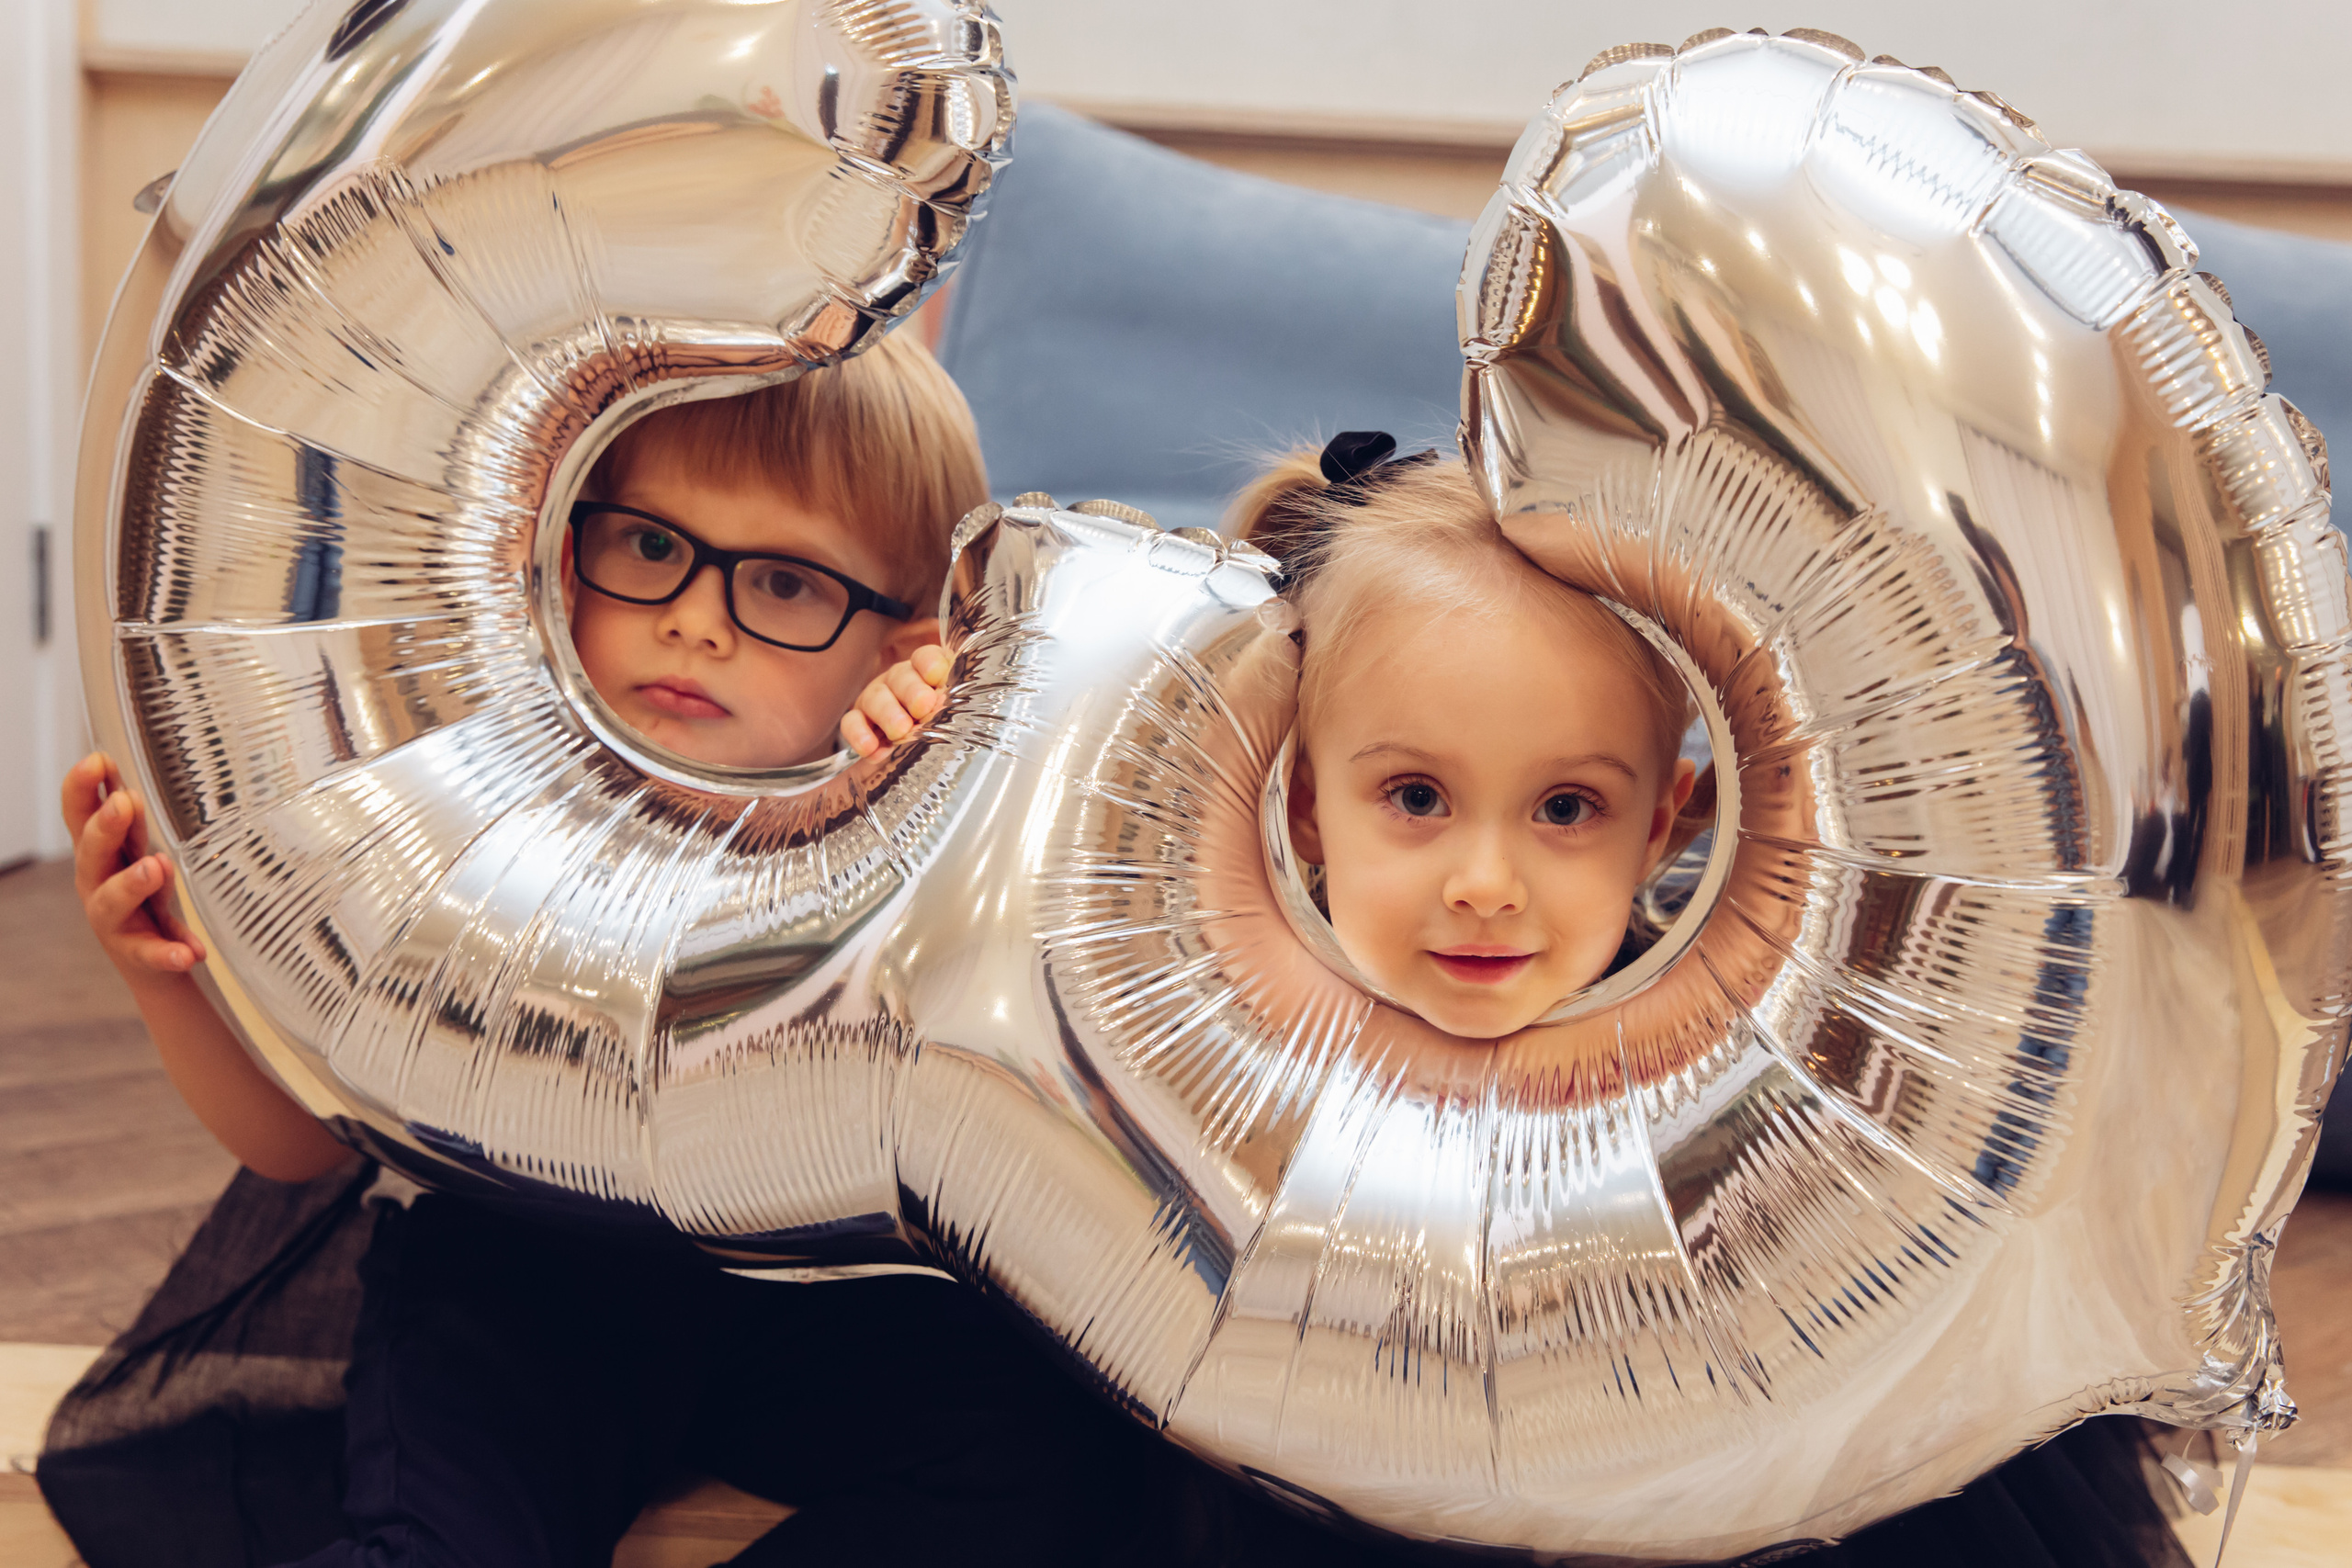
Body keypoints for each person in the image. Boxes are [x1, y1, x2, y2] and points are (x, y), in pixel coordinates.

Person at [51, 335, 1193, 1568]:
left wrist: (939, 768)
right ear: (560, 557)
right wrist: (165, 979)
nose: (697, 621)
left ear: (901, 644)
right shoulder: (486, 811)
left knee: (1075, 1475)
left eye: (786, 584)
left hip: (830, 1295)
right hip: (527, 1283)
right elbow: (299, 1140)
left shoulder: (918, 803)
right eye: (650, 547)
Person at [849, 432, 1702, 1040]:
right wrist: (932, 753)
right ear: (1304, 808)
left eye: (1565, 807)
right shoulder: (1199, 962)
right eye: (1416, 796)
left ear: (1655, 831)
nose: (1486, 886)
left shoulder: (1717, 1034)